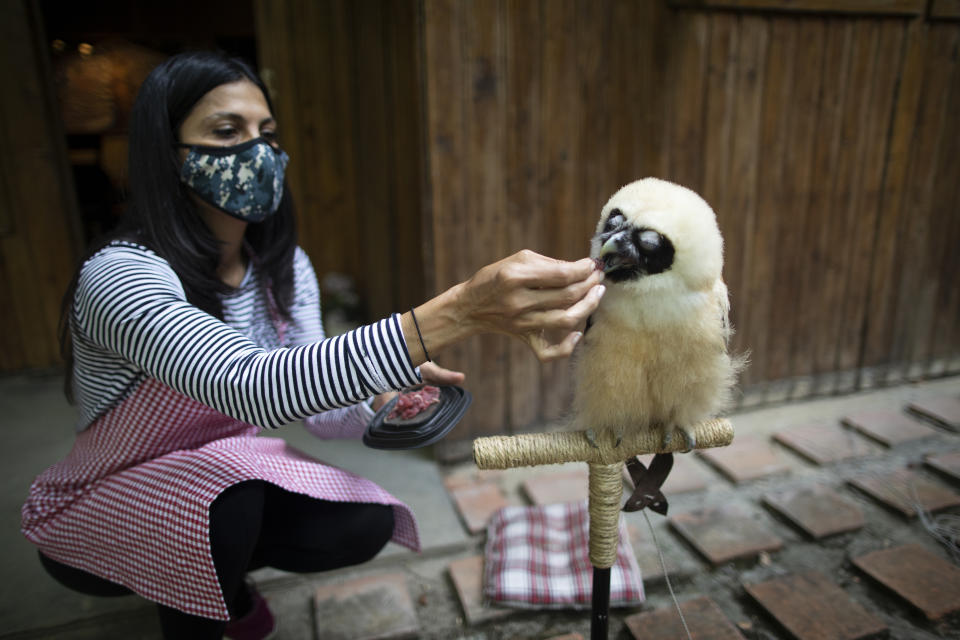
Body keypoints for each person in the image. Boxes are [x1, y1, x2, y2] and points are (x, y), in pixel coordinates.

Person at [21, 51, 605, 640]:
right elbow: (251, 386)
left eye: (267, 133)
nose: (258, 150)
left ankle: (217, 578)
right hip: (105, 504)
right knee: (228, 499)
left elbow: (315, 406)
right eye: (227, 132)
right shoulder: (121, 274)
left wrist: (377, 401)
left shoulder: (281, 269)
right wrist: (458, 311)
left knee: (361, 524)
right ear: (167, 157)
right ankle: (201, 610)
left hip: (223, 480)